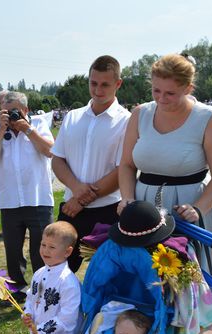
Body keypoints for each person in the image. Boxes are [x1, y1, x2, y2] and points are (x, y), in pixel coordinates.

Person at [117, 53, 212, 301]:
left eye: (170, 93)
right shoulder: (140, 114)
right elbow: (126, 165)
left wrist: (198, 208)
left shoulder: (208, 118)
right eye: (156, 91)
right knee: (146, 283)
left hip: (188, 210)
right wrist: (126, 198)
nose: (161, 99)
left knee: (194, 286)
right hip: (145, 208)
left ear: (188, 88)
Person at [52, 55, 131, 273]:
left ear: (118, 84)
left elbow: (122, 170)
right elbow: (58, 159)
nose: (97, 90)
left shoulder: (126, 121)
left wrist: (83, 199)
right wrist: (77, 191)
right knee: (57, 271)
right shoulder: (72, 117)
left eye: (105, 84)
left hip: (107, 211)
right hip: (70, 208)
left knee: (107, 277)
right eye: (93, 83)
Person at [0, 91, 54, 296]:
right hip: (10, 201)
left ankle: (43, 287)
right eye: (6, 112)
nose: (11, 116)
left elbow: (50, 150)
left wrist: (28, 130)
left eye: (15, 111)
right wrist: (0, 131)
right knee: (13, 250)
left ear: (25, 110)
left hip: (38, 198)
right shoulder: (0, 130)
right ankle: (17, 286)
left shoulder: (39, 126)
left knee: (42, 248)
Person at [23, 221, 81, 334]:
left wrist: (41, 330)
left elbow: (68, 318)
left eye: (52, 247)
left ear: (67, 252)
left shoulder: (68, 282)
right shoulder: (39, 273)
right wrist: (27, 313)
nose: (45, 251)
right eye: (43, 245)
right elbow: (31, 296)